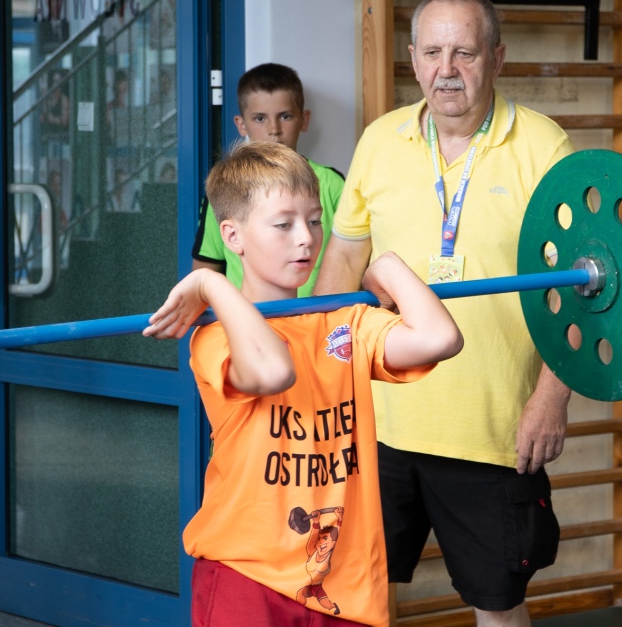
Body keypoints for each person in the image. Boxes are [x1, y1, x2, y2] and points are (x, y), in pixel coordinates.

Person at [314, 0, 573, 627]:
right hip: (379, 424)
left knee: (498, 607)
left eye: (465, 52)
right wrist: (324, 376)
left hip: (492, 433)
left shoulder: (544, 147)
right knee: (351, 597)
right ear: (412, 58)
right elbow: (343, 259)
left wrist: (551, 398)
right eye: (432, 52)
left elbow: (578, 288)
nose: (447, 69)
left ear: (497, 58)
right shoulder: (380, 140)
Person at [144, 142, 463, 627]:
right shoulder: (215, 337)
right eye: (283, 224)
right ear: (232, 236)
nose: (306, 239)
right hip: (245, 573)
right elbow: (273, 372)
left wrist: (387, 266)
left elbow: (440, 339)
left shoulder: (345, 323)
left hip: (343, 584)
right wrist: (213, 285)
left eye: (314, 221)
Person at [192, 63, 344, 296]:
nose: (274, 129)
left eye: (285, 116)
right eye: (260, 118)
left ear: (304, 120)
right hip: (245, 313)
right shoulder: (226, 189)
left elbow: (350, 258)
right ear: (241, 124)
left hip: (319, 315)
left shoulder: (332, 183)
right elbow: (205, 271)